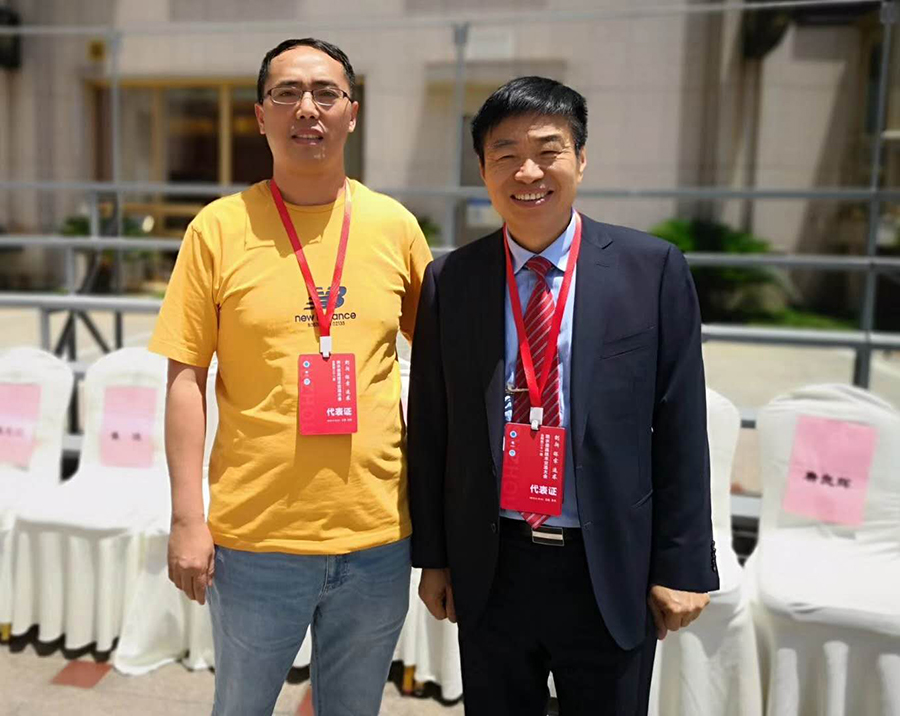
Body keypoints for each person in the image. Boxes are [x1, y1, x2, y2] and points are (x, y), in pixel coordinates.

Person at [408, 76, 718, 715]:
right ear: (483, 169)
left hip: (609, 563)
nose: (528, 172)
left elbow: (681, 424)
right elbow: (434, 427)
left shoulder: (651, 269)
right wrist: (434, 558)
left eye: (548, 151)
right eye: (505, 154)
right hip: (493, 563)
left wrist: (683, 564)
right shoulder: (452, 279)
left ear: (580, 159)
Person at [149, 37, 432, 716]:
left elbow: (446, 364)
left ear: (352, 113)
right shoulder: (218, 229)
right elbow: (186, 377)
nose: (308, 108)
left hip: (377, 537)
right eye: (287, 93)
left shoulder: (394, 226)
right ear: (260, 115)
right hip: (256, 540)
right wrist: (188, 518)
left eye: (326, 93)